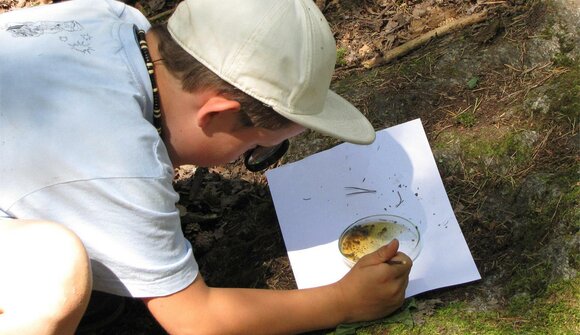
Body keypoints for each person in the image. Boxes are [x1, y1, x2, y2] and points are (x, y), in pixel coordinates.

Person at [0, 0, 412, 334]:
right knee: (54, 272)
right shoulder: (115, 161)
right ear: (217, 115)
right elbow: (195, 319)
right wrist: (342, 302)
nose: (248, 160)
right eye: (258, 149)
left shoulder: (112, 18)